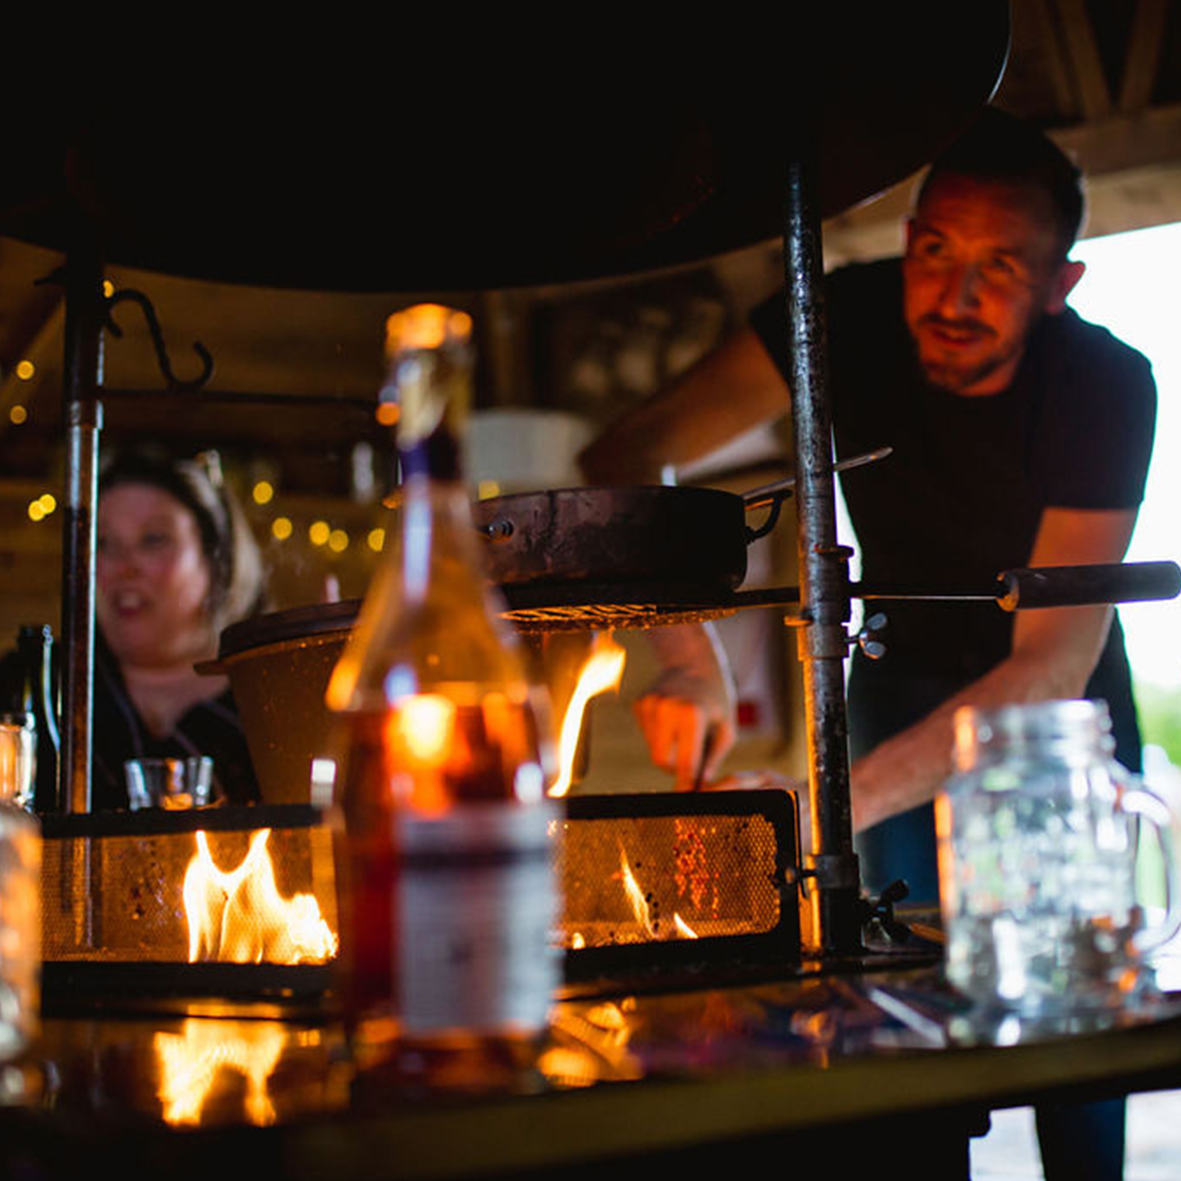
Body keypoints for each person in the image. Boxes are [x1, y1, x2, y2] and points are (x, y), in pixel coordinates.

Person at [579, 108, 1154, 1181]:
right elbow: (625, 452)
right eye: (933, 251)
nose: (953, 297)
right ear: (904, 241)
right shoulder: (831, 320)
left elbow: (1046, 667)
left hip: (1051, 721)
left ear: (1059, 285)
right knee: (889, 1020)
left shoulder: (1104, 386)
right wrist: (681, 654)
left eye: (999, 267)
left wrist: (811, 797)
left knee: (1076, 1034)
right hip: (891, 686)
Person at [89, 449, 266, 809]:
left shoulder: (268, 701)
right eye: (104, 543)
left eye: (153, 539)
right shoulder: (47, 695)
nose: (124, 567)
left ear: (215, 557)